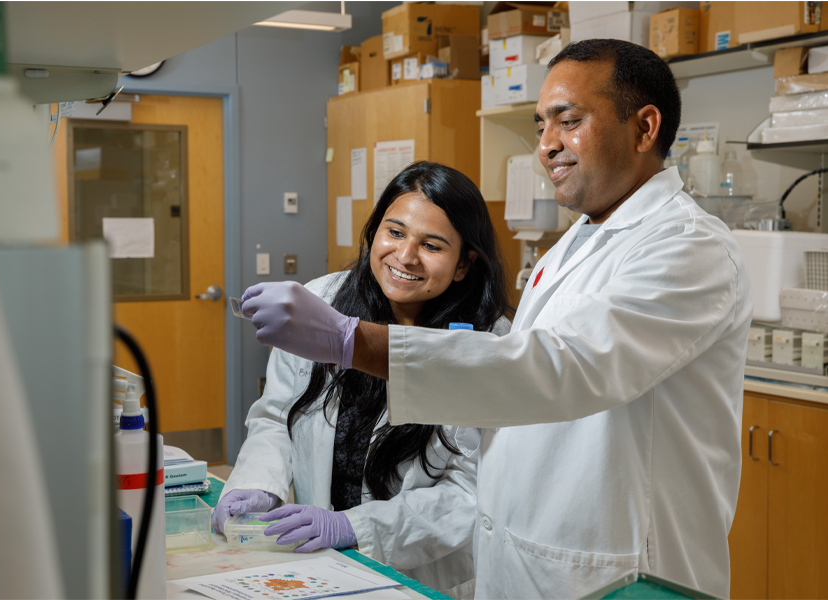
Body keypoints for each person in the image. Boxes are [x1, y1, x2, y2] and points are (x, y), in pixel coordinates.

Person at [241, 39, 754, 600]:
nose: (547, 145)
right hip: (527, 567)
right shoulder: (575, 245)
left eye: (569, 121)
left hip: (617, 571)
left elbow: (565, 367)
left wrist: (352, 342)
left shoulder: (688, 247)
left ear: (645, 127)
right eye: (541, 127)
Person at [215, 161, 511, 598]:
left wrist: (352, 526)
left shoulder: (491, 343)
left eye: (431, 245)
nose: (405, 256)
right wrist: (257, 484)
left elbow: (470, 491)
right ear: (373, 232)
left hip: (421, 576)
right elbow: (277, 415)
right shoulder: (321, 305)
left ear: (465, 264)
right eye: (394, 233)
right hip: (320, 567)